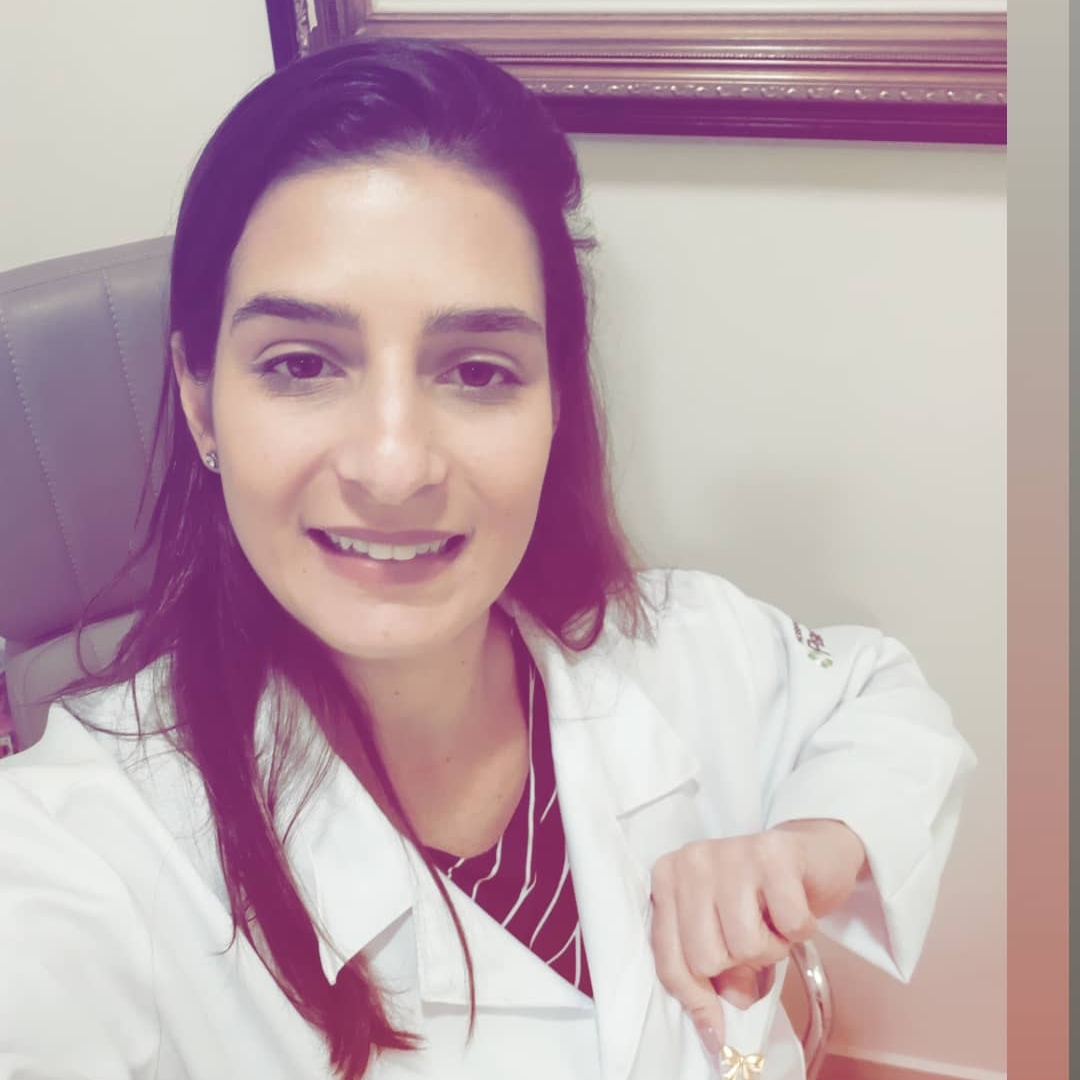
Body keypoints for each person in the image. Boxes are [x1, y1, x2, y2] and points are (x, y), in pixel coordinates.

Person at [0, 37, 974, 1080]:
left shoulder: (676, 642)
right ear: (201, 403)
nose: (393, 466)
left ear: (555, 401)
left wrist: (812, 843)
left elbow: (877, 693)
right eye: (301, 363)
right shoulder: (85, 853)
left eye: (476, 371)